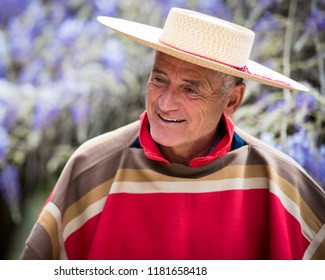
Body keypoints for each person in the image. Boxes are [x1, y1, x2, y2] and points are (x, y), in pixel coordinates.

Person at [21, 8, 325, 260]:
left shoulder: (281, 183)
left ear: (232, 100)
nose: (164, 103)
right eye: (159, 79)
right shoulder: (92, 169)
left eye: (190, 89)